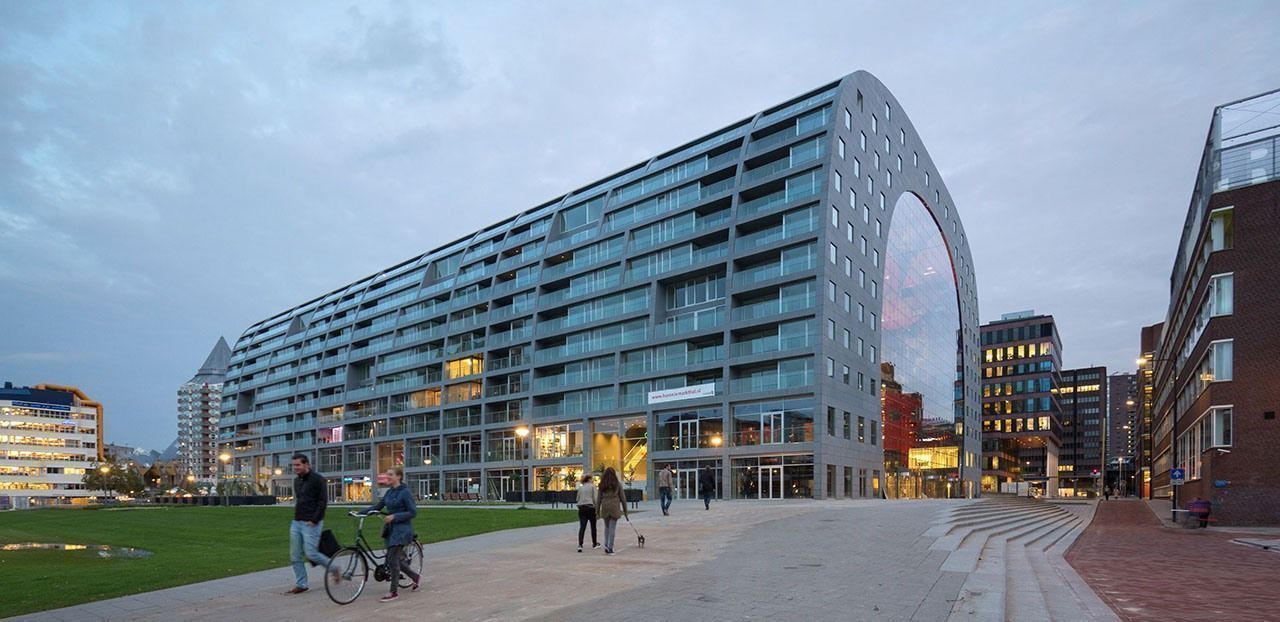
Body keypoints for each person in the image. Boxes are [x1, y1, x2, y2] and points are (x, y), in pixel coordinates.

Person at [363, 466, 419, 602]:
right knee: (394, 559)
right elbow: (378, 507)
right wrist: (359, 513)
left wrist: (395, 516)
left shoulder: (405, 492)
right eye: (387, 474)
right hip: (391, 530)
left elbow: (412, 512)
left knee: (392, 559)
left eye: (391, 475)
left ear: (398, 476)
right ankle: (415, 577)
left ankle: (393, 592)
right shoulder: (389, 493)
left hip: (402, 530)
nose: (387, 477)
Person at [288, 453, 332, 594]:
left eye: (298, 465)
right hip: (297, 522)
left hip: (311, 523)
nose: (295, 468)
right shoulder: (297, 481)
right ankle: (301, 584)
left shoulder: (318, 480)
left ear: (306, 464)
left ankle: (333, 568)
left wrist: (315, 520)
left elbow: (322, 502)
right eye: (294, 465)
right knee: (295, 555)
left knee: (311, 554)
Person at [596, 467, 628, 555]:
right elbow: (623, 498)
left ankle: (606, 545)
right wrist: (625, 511)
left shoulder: (602, 485)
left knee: (606, 527)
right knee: (612, 528)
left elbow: (598, 499)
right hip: (614, 507)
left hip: (605, 506)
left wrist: (597, 511)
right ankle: (610, 547)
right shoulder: (617, 484)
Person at [575, 473, 599, 552]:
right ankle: (594, 543)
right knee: (593, 527)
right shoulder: (592, 486)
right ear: (589, 479)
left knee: (582, 527)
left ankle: (580, 544)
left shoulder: (581, 488)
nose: (593, 480)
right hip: (590, 508)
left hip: (582, 508)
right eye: (592, 479)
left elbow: (577, 499)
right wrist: (597, 509)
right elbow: (595, 498)